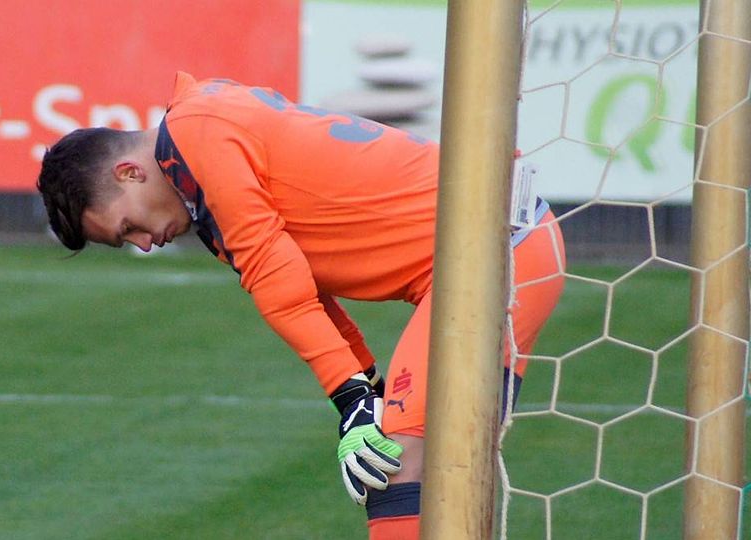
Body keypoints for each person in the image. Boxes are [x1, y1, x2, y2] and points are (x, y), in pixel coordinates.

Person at [36, 72, 565, 540]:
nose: (144, 244)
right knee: (443, 472)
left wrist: (351, 398)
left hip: (488, 253)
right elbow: (309, 296)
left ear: (129, 173)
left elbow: (277, 277)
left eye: (127, 227)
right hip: (495, 252)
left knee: (398, 466)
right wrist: (364, 384)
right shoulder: (198, 159)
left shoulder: (198, 131)